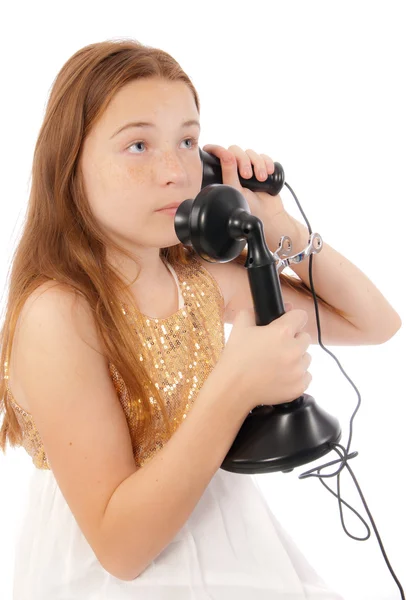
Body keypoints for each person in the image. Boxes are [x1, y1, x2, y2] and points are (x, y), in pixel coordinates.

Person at [0, 39, 401, 600]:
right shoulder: (59, 314)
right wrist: (236, 385)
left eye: (187, 142)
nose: (174, 171)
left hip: (226, 542)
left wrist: (276, 223)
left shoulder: (201, 283)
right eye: (137, 144)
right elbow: (120, 550)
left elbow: (374, 322)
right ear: (70, 165)